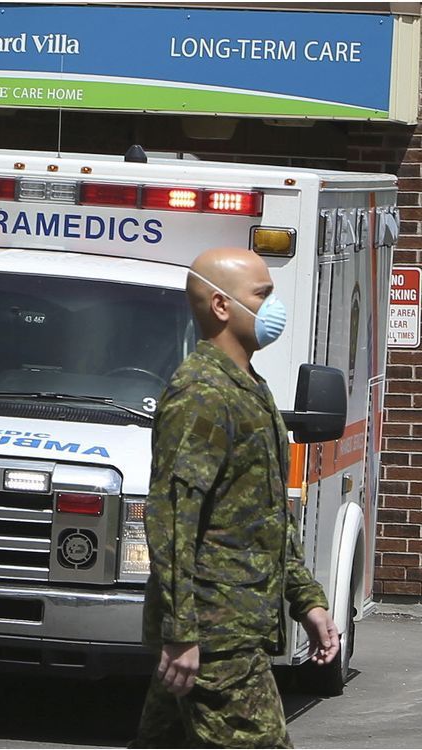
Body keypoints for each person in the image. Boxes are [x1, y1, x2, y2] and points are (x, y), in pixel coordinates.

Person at [133, 247, 340, 748]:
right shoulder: (203, 393)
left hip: (231, 625)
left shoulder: (248, 386)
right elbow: (173, 517)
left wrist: (306, 600)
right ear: (222, 306)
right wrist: (183, 632)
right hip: (215, 635)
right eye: (263, 295)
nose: (274, 308)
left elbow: (261, 519)